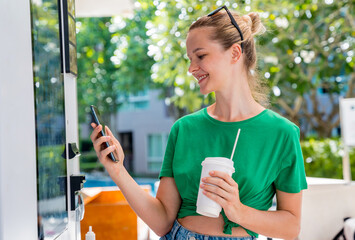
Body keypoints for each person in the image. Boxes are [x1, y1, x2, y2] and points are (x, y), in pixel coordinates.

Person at [90, 5, 307, 240]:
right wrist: (117, 170)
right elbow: (162, 222)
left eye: (201, 56)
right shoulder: (183, 130)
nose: (191, 68)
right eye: (190, 59)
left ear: (235, 53)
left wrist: (238, 211)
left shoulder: (281, 133)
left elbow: (291, 227)